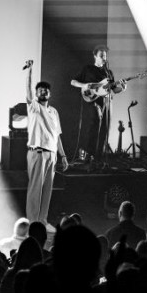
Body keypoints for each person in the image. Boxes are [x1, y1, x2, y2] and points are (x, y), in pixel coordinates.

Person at [25, 60, 69, 232]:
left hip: (52, 154)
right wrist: (29, 71)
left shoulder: (54, 111)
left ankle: (42, 220)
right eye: (40, 90)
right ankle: (32, 223)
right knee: (35, 189)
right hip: (37, 152)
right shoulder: (34, 107)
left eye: (46, 90)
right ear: (37, 94)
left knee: (47, 190)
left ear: (50, 94)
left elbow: (57, 136)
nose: (43, 91)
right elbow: (28, 92)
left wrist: (63, 156)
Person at [70, 45, 127, 160]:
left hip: (107, 101)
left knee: (105, 128)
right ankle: (89, 155)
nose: (104, 58)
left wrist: (123, 88)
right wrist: (84, 85)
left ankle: (100, 157)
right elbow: (73, 81)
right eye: (101, 56)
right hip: (93, 101)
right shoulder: (88, 69)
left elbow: (114, 89)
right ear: (95, 56)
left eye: (105, 56)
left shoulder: (108, 73)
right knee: (94, 127)